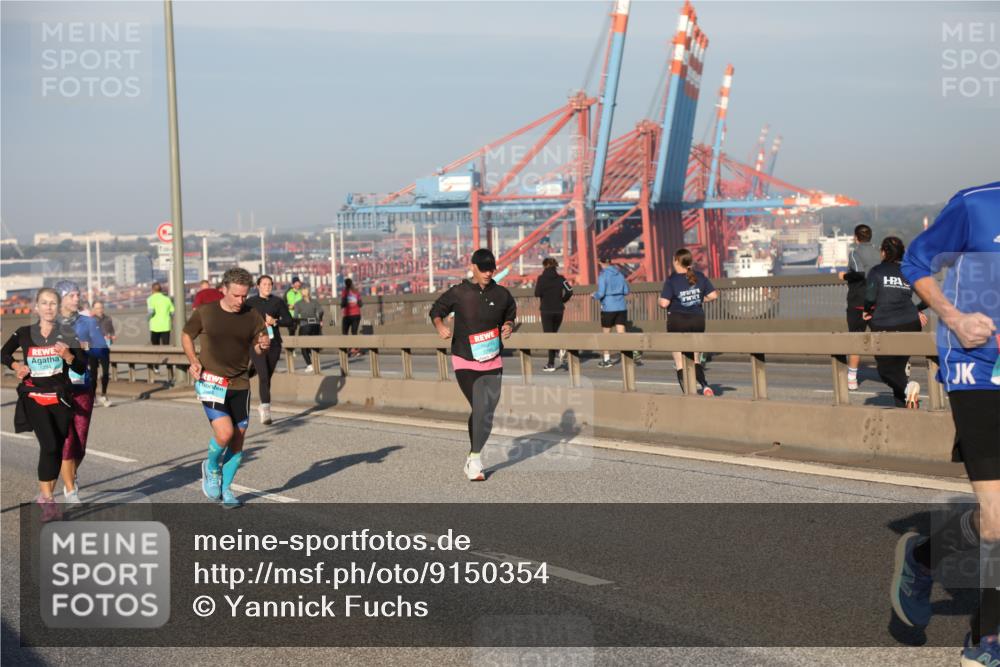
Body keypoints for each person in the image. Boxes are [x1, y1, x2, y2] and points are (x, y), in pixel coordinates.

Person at [889, 181, 999, 665]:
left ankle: (924, 559)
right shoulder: (977, 204)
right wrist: (955, 319)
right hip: (978, 366)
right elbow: (916, 262)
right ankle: (987, 638)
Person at [182, 267, 269, 508]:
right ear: (223, 290)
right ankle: (211, 467)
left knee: (238, 440)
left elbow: (261, 346)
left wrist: (263, 344)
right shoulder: (205, 312)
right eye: (236, 296)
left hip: (240, 382)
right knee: (224, 433)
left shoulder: (252, 315)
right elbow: (187, 335)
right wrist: (193, 360)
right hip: (211, 382)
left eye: (244, 296)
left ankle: (227, 489)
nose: (241, 301)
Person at [430, 248, 516, 481]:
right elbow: (436, 310)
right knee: (480, 405)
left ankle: (471, 455)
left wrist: (508, 324)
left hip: (493, 359)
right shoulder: (459, 292)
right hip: (465, 359)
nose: (489, 273)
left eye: (492, 269)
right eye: (484, 269)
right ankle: (476, 460)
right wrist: (440, 326)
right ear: (473, 267)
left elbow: (511, 312)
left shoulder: (502, 294)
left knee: (487, 411)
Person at [2, 288, 86, 521]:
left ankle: (43, 495)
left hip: (60, 398)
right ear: (36, 307)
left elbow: (80, 367)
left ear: (58, 308)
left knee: (57, 448)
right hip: (34, 397)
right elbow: (3, 354)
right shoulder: (24, 333)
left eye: (53, 303)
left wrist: (69, 356)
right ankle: (48, 500)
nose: (48, 307)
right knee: (49, 445)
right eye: (44, 303)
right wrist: (16, 366)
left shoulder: (67, 333)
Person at [52, 281, 104, 503]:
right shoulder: (48, 323)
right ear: (61, 298)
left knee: (80, 445)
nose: (76, 298)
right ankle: (70, 489)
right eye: (72, 295)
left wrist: (86, 348)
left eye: (78, 295)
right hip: (58, 388)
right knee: (67, 440)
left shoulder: (88, 322)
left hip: (83, 386)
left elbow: (101, 347)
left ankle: (72, 474)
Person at [862, 236, 927, 408]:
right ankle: (903, 406)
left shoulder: (876, 271)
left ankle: (907, 388)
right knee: (898, 368)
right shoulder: (910, 271)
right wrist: (917, 309)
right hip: (910, 323)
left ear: (883, 252)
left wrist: (867, 311)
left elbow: (869, 297)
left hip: (884, 324)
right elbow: (928, 298)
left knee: (885, 370)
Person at [658, 248, 719, 396]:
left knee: (679, 361)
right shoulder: (699, 276)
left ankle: (688, 393)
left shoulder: (672, 280)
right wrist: (698, 300)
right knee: (696, 358)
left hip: (677, 321)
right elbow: (714, 295)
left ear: (677, 261)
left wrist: (659, 300)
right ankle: (705, 386)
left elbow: (664, 303)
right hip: (697, 321)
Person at [246, 275, 293, 426]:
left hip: (274, 343)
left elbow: (289, 321)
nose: (267, 287)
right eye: (264, 284)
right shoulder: (250, 303)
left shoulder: (277, 302)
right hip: (257, 343)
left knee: (268, 374)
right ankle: (265, 408)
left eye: (270, 284)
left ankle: (251, 371)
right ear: (258, 286)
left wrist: (275, 321)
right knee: (264, 376)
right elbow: (240, 321)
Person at [839, 224, 881, 390]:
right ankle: (897, 369)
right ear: (870, 236)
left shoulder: (855, 253)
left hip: (858, 302)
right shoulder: (879, 252)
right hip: (878, 302)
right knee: (882, 339)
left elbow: (858, 273)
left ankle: (852, 378)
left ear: (856, 237)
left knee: (856, 339)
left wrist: (844, 276)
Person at [534, 257, 572, 371]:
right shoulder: (561, 278)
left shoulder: (541, 278)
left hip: (546, 310)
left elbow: (537, 293)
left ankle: (551, 364)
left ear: (544, 266)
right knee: (553, 334)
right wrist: (562, 300)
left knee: (549, 336)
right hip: (559, 310)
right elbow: (570, 291)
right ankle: (558, 350)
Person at [593, 256, 629, 368]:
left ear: (601, 262)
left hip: (608, 308)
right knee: (621, 334)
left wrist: (594, 295)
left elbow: (601, 293)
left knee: (606, 335)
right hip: (621, 307)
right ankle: (626, 357)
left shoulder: (603, 275)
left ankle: (607, 359)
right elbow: (626, 291)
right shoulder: (620, 274)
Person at [90, 300, 116, 407]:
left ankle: (104, 395)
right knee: (93, 375)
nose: (99, 310)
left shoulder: (108, 319)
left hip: (105, 349)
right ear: (93, 309)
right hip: (93, 350)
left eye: (101, 308)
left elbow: (112, 333)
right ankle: (93, 397)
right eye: (97, 308)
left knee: (105, 373)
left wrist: (111, 337)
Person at [293, 286, 324, 374]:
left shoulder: (298, 303)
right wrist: (320, 320)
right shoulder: (315, 302)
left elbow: (295, 316)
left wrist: (297, 323)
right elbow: (321, 311)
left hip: (305, 325)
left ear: (301, 293)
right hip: (315, 325)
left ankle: (310, 365)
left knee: (304, 347)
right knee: (314, 345)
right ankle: (316, 363)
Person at [147, 282, 174, 375]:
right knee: (166, 347)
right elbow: (172, 312)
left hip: (154, 326)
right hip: (166, 326)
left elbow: (151, 312)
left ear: (152, 290)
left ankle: (156, 367)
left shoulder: (150, 299)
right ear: (161, 290)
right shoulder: (167, 299)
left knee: (155, 347)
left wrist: (147, 319)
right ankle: (169, 368)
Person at [340, 278, 363, 356]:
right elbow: (360, 304)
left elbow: (343, 303)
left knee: (344, 332)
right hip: (356, 314)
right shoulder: (356, 291)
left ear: (345, 284)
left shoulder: (344, 292)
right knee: (354, 332)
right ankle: (355, 349)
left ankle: (346, 349)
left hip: (347, 315)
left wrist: (342, 305)